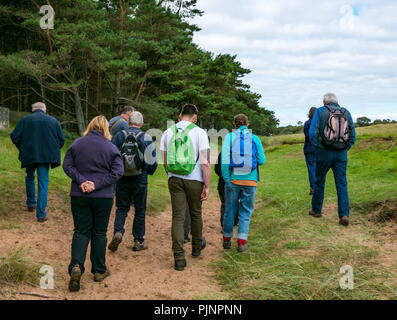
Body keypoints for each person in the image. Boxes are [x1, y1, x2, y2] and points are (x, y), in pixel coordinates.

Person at [63, 116, 124, 292]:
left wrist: (82, 181)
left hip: (79, 194)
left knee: (81, 231)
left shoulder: (77, 144)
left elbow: (67, 166)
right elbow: (118, 172)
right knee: (99, 232)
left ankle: (76, 266)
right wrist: (97, 184)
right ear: (106, 129)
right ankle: (99, 270)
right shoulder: (111, 148)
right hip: (103, 196)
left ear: (90, 126)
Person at [160, 104, 210, 271]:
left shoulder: (168, 132)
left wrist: (172, 174)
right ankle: (196, 249)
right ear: (195, 116)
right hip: (195, 179)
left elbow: (165, 162)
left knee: (178, 216)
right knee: (196, 213)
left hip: (175, 179)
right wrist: (207, 186)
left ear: (180, 115)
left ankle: (179, 257)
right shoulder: (200, 133)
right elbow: (205, 163)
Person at [108, 111, 158, 252]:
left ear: (128, 122)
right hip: (140, 178)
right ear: (141, 124)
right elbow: (152, 160)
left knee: (122, 208)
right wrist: (148, 172)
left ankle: (118, 232)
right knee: (140, 210)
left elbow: (111, 155)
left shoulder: (119, 136)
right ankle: (138, 241)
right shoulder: (146, 137)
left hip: (122, 177)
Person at [10, 102, 64, 222]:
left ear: (33, 110)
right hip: (45, 157)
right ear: (45, 110)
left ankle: (30, 204)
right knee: (43, 182)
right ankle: (41, 214)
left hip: (29, 155)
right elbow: (61, 139)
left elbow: (14, 136)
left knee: (29, 177)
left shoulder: (25, 120)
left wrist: (23, 148)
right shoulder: (53, 121)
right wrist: (51, 150)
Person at [309, 93, 356, 226]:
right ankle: (344, 214)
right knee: (342, 183)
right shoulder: (346, 112)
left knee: (319, 181)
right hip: (341, 153)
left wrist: (319, 147)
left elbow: (313, 133)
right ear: (337, 101)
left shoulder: (320, 111)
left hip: (323, 152)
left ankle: (317, 210)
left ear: (324, 102)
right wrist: (345, 148)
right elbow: (353, 135)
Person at [221, 114, 266, 252]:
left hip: (233, 180)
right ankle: (241, 243)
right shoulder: (255, 138)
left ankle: (227, 240)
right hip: (250, 181)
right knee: (245, 212)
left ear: (234, 125)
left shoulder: (229, 137)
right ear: (247, 124)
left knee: (230, 210)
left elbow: (225, 161)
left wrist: (227, 179)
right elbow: (262, 160)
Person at [214, 152, 238, 229]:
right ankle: (235, 221)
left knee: (225, 202)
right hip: (236, 180)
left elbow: (216, 169)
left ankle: (225, 224)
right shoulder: (239, 151)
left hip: (223, 181)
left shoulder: (223, 153)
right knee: (235, 201)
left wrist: (222, 175)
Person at [304, 107, 317, 195]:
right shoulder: (320, 122)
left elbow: (306, 134)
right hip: (319, 148)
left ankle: (313, 187)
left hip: (309, 148)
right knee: (318, 169)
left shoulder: (307, 123)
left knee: (311, 169)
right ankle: (318, 187)